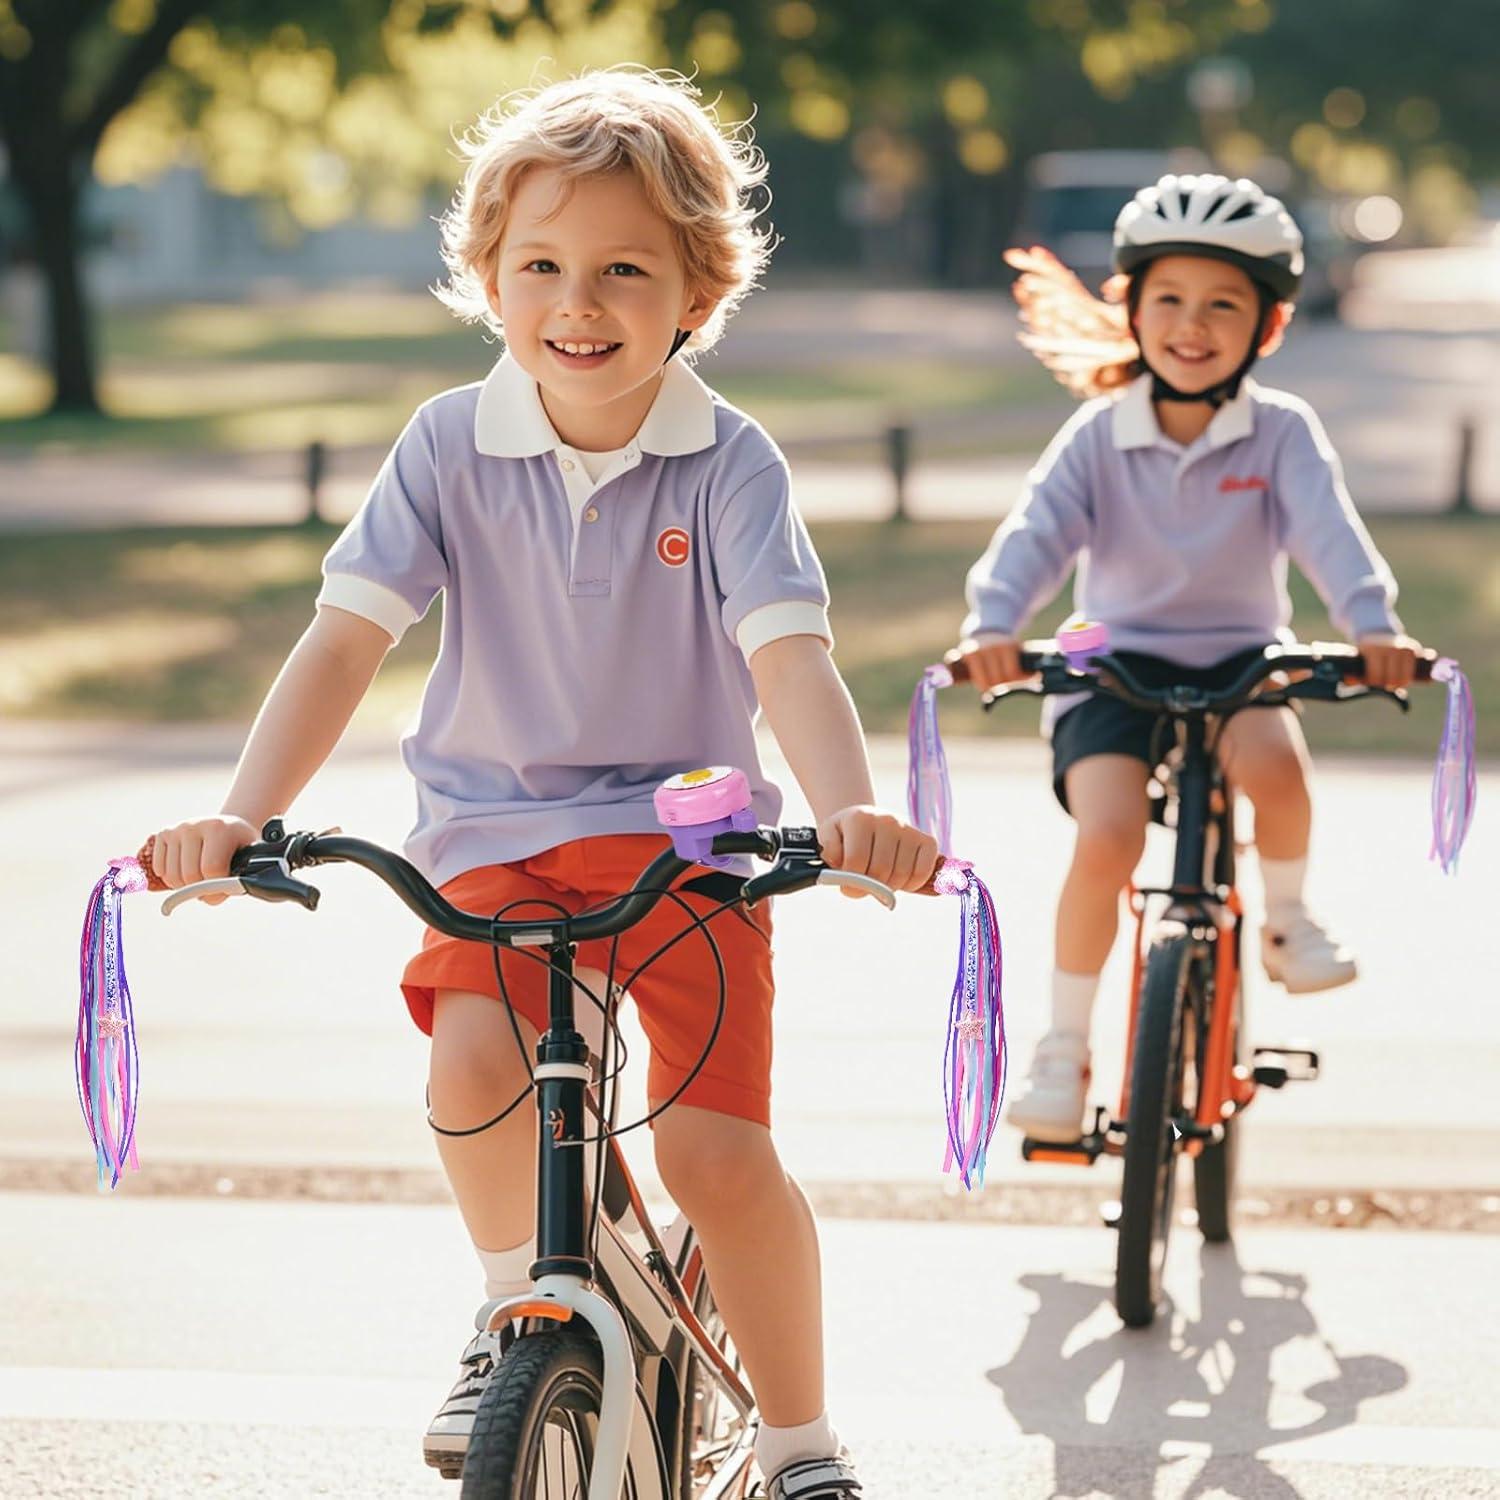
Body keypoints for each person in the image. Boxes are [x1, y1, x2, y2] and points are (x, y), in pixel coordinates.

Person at [149, 67, 936, 1498]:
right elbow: (341, 642)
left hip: (688, 849)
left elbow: (791, 658)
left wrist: (848, 811)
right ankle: (518, 1300)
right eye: (544, 268)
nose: (581, 301)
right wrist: (242, 815)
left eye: (626, 269)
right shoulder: (449, 443)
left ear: (697, 292)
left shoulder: (729, 462)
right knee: (471, 1076)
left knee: (715, 1157)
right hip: (492, 834)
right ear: (490, 283)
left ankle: (803, 1441)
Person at [956, 173, 1422, 1143]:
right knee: (1110, 833)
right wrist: (993, 627)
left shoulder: (1282, 432)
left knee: (1278, 768)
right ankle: (1064, 1047)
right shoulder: (1097, 438)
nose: (1193, 324)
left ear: (1270, 326)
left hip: (1242, 662)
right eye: (1168, 299)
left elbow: (1330, 537)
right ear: (1132, 307)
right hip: (1113, 669)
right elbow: (1034, 536)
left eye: (1224, 305)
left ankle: (1288, 921)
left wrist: (1374, 628)